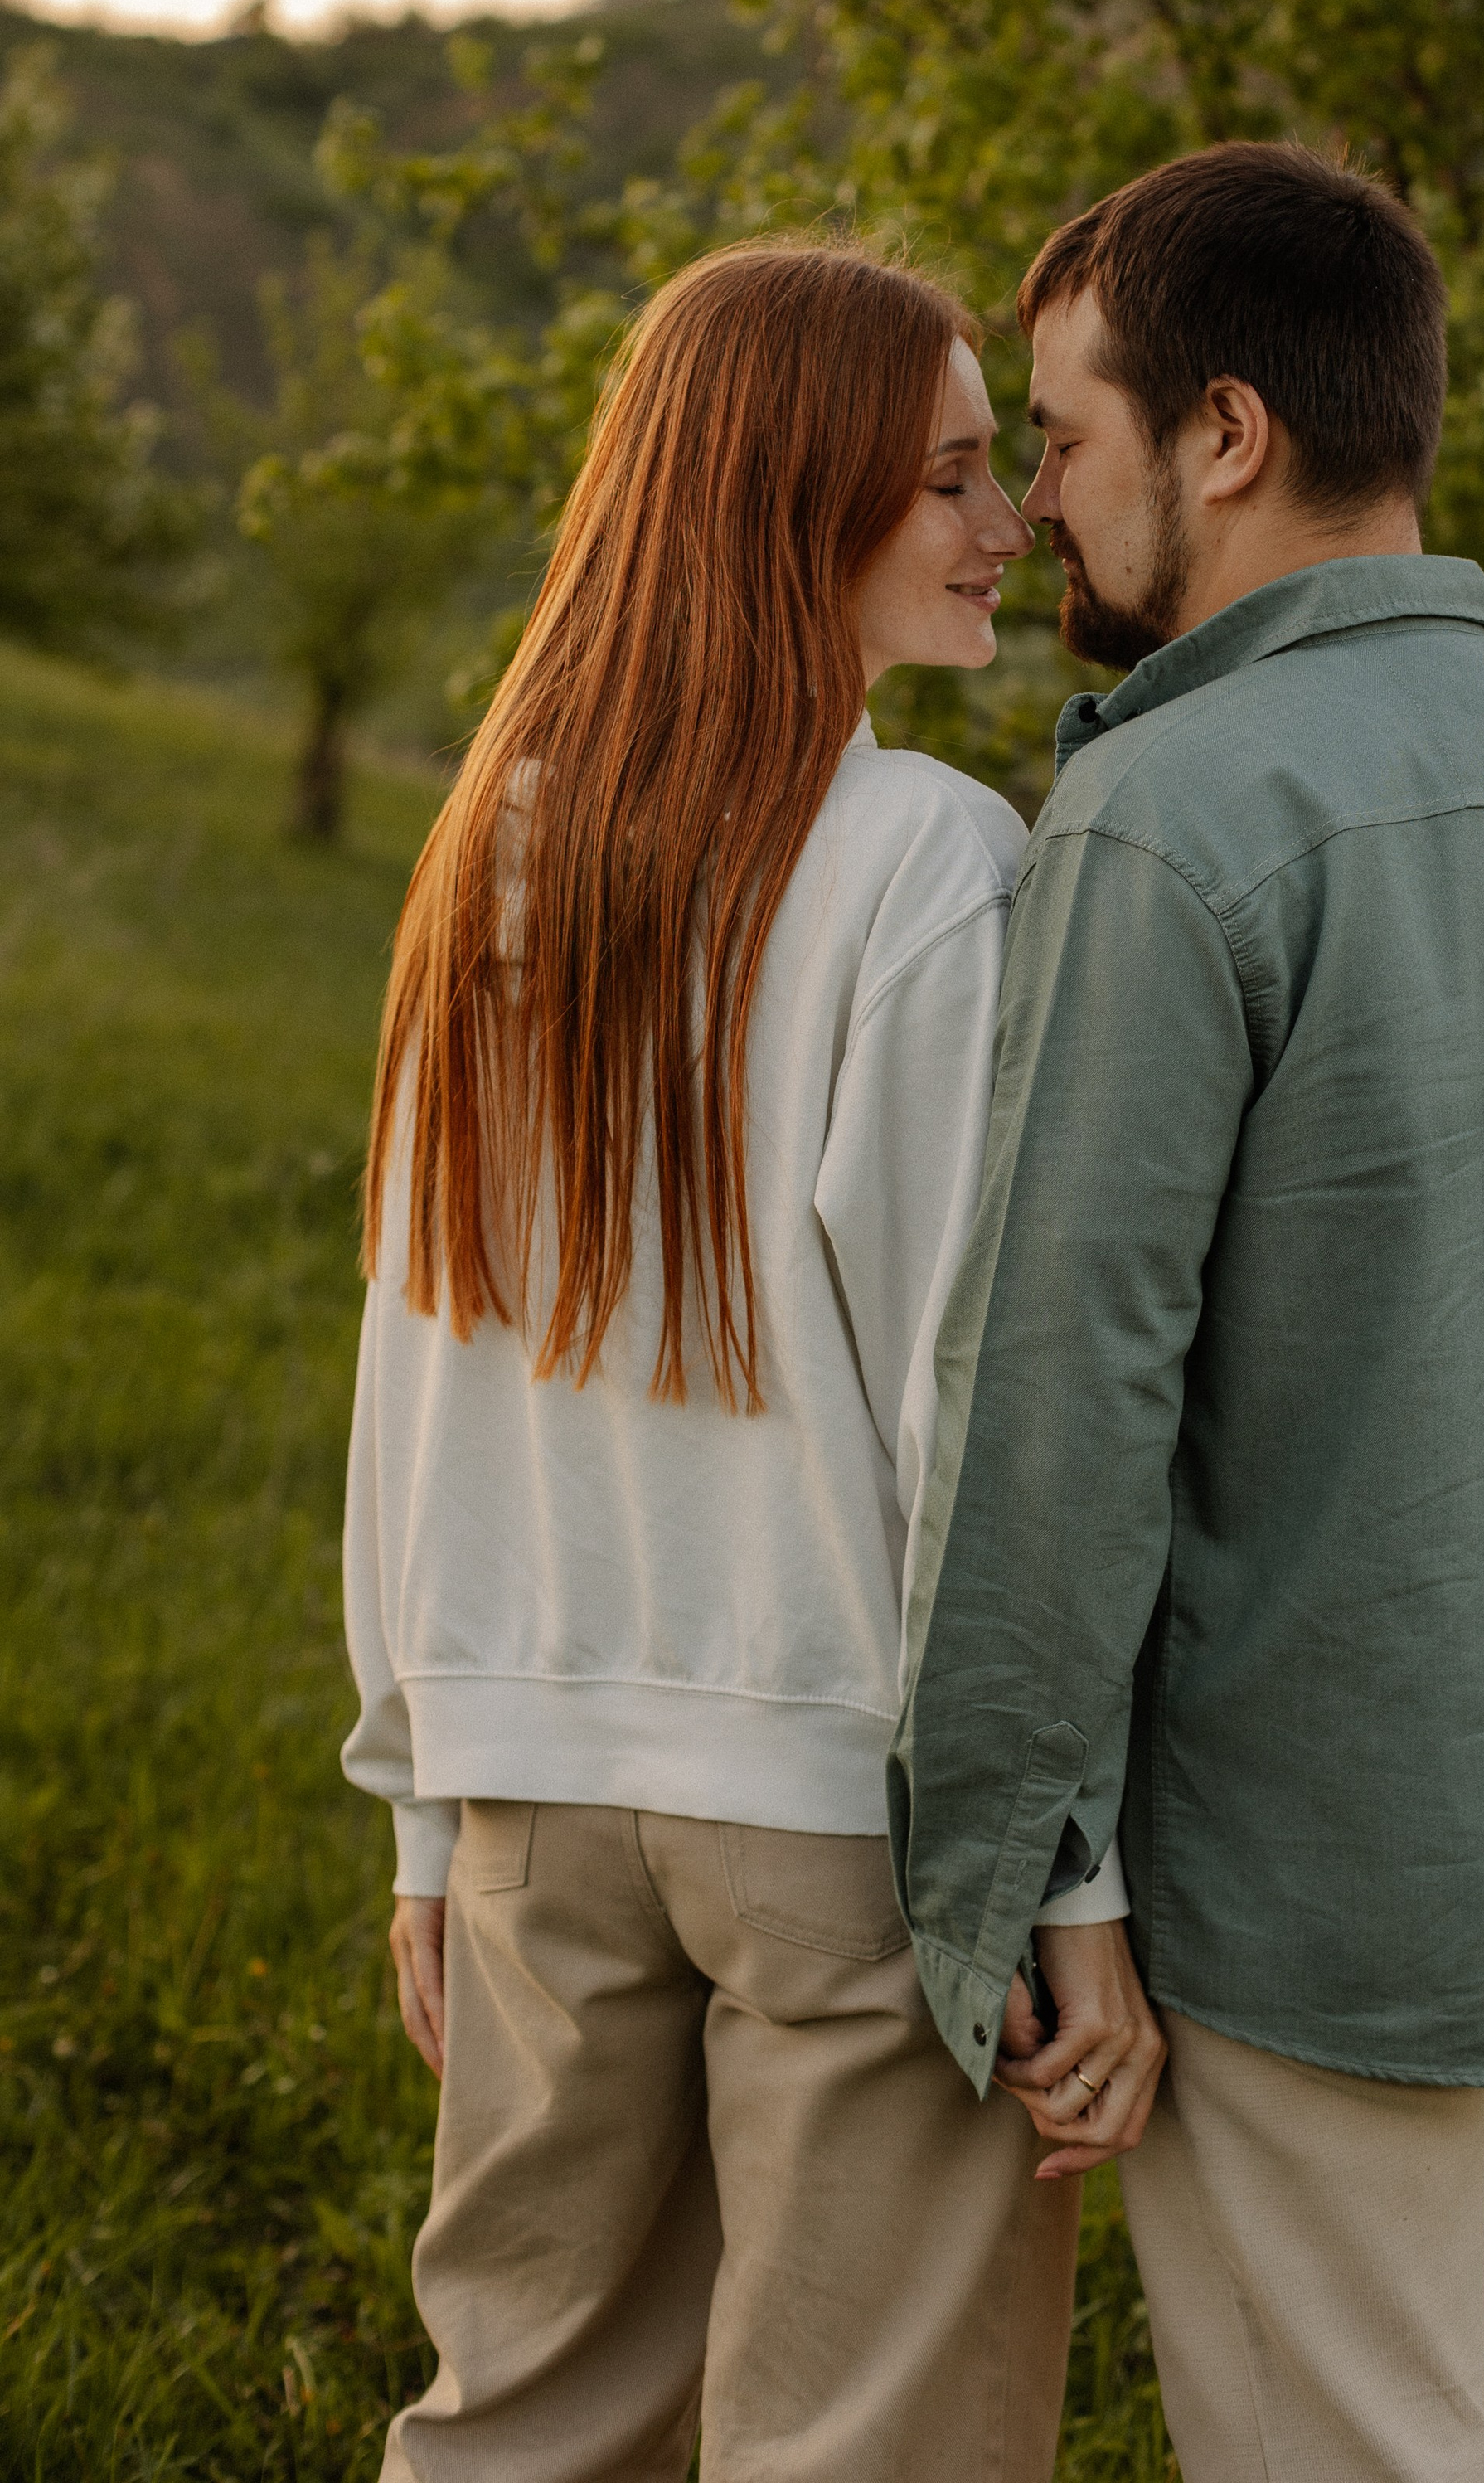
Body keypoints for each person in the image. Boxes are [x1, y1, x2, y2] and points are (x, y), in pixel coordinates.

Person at [889, 143, 1484, 2483]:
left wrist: (999, 1878)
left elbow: (1058, 1388)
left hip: (1318, 1884)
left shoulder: (1171, 812)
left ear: (1226, 434)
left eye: (1065, 440)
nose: (1042, 509)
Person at [341, 240, 1122, 2483]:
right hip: (832, 1803)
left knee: (515, 2427)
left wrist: (422, 1792)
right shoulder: (927, 866)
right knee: (863, 2445)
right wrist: (1062, 1876)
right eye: (955, 478)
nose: (1010, 527)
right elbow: (963, 1413)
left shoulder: (488, 842)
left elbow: (419, 1352)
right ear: (797, 502)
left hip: (530, 1791)